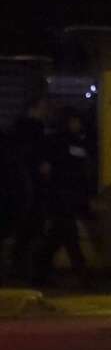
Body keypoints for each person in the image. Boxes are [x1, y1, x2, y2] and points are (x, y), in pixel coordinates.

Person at [33, 107, 93, 288]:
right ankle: (81, 275)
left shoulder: (68, 141)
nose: (78, 124)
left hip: (62, 196)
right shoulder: (64, 142)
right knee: (68, 237)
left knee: (58, 238)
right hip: (62, 196)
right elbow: (71, 170)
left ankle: (40, 274)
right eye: (75, 121)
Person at [5, 95, 50, 284]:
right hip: (31, 190)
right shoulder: (34, 130)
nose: (45, 111)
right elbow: (35, 158)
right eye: (43, 107)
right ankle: (26, 273)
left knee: (25, 232)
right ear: (34, 108)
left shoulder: (16, 131)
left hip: (21, 191)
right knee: (31, 232)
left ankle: (21, 271)